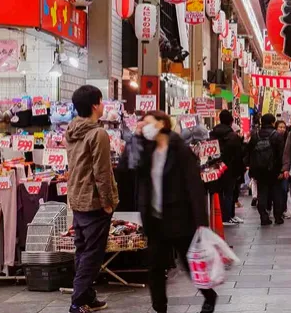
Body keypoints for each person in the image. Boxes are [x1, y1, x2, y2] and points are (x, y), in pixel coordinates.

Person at [135, 111, 217, 313]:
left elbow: (194, 186)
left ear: (161, 123)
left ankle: (209, 294)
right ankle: (159, 308)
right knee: (155, 267)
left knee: (189, 263)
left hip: (179, 217)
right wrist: (136, 138)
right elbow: (128, 167)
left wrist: (201, 221)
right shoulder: (148, 149)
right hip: (155, 219)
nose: (144, 126)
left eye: (148, 123)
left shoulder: (180, 149)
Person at [66, 85, 119, 313]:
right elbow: (102, 172)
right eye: (102, 100)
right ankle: (78, 301)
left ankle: (87, 296)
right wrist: (108, 202)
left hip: (76, 197)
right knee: (92, 254)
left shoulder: (72, 129)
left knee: (82, 249)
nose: (104, 104)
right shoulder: (98, 134)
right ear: (95, 105)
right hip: (94, 200)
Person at [249, 114, 286, 225]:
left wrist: (252, 168)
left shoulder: (255, 135)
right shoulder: (277, 136)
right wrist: (281, 170)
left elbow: (249, 151)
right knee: (276, 193)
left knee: (262, 193)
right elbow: (281, 154)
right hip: (274, 169)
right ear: (272, 123)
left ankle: (263, 217)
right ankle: (278, 217)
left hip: (259, 170)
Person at [211, 110, 244, 225]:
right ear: (231, 121)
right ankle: (228, 216)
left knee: (219, 192)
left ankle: (222, 216)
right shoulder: (233, 136)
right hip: (230, 169)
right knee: (230, 192)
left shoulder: (212, 134)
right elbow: (238, 155)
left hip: (216, 168)